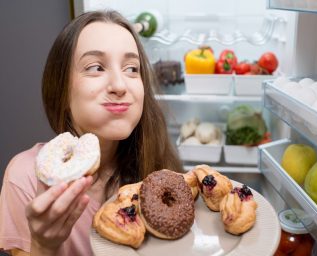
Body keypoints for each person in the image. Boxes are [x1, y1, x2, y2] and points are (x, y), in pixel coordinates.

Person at [0, 10, 183, 256]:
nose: (120, 85)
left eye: (131, 69)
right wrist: (44, 246)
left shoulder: (156, 164)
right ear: (61, 89)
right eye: (96, 67)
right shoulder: (26, 179)